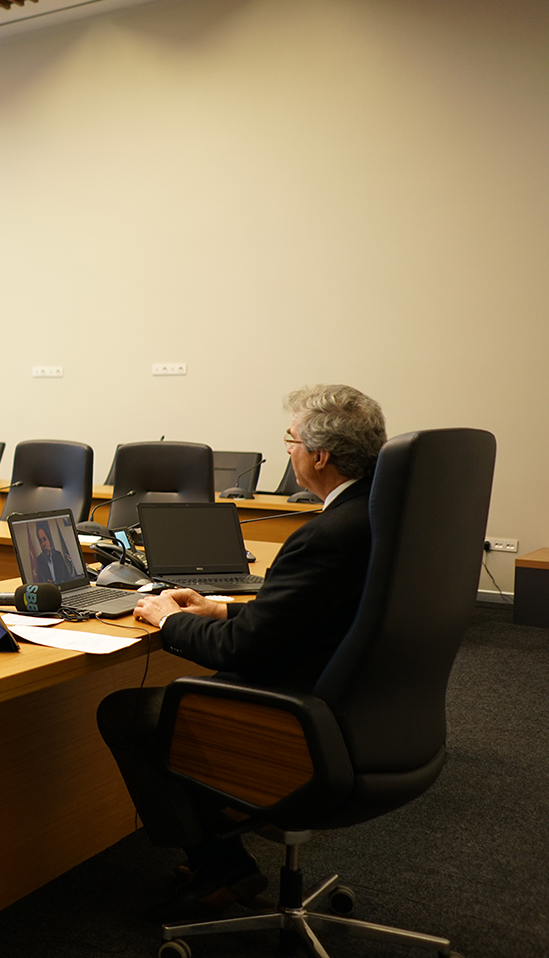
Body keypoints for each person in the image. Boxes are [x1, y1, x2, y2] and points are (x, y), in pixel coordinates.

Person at [96, 384, 387, 922]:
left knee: (127, 713)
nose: (289, 451)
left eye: (291, 440)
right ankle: (224, 848)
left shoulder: (325, 535)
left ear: (320, 456)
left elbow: (244, 651)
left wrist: (171, 618)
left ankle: (219, 868)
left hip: (300, 720)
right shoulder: (378, 519)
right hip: (364, 711)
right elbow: (302, 620)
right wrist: (216, 610)